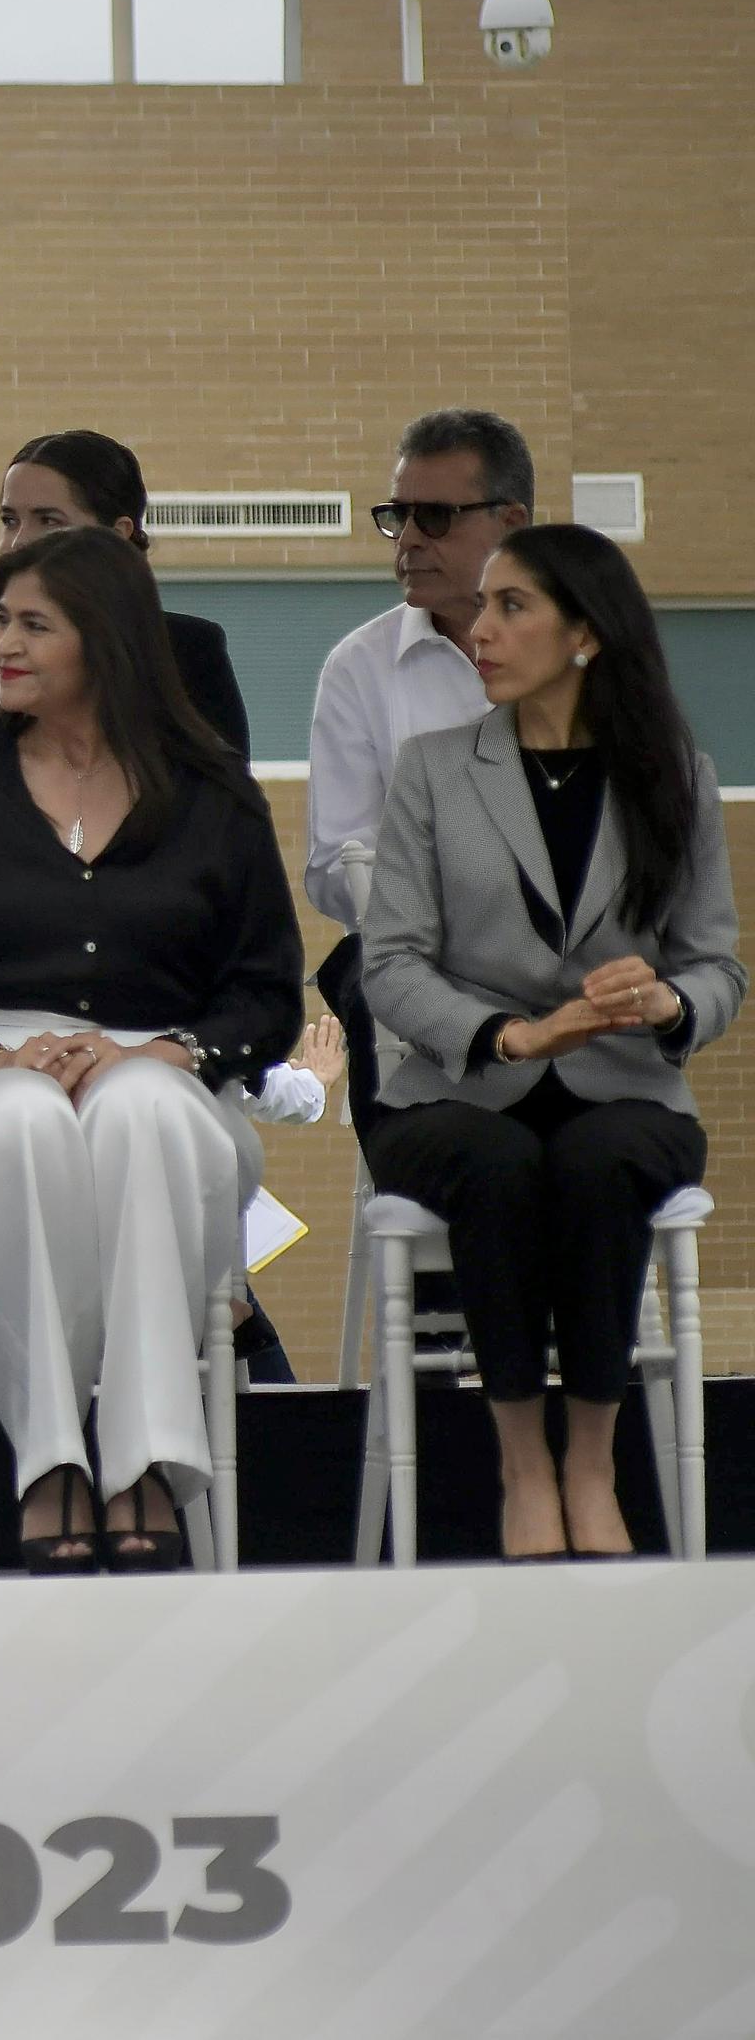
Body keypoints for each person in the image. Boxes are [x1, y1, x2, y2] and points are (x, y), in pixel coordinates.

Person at [0, 527, 303, 1573]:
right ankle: (50, 1459)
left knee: (139, 1110)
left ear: (105, 640)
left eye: (32, 625)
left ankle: (144, 1457)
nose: (1, 645)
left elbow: (267, 992)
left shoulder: (210, 788)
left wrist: (172, 1053)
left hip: (164, 1070)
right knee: (20, 1118)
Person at [357, 524, 736, 1560]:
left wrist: (666, 1003)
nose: (478, 629)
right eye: (481, 605)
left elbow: (716, 967)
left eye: (509, 605)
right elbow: (389, 963)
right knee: (499, 1163)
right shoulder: (433, 769)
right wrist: (514, 1034)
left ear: (585, 634)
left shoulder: (676, 777)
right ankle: (522, 1464)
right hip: (456, 1093)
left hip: (627, 1092)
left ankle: (590, 1464)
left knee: (598, 1161)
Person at [308, 409, 539, 1127]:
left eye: (434, 517)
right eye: (397, 516)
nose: (408, 539)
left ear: (510, 523)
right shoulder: (358, 668)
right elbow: (333, 866)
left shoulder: (588, 662)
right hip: (410, 959)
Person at [0, 432, 250, 767]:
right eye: (9, 520)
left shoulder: (188, 653)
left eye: (49, 520)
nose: (18, 542)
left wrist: (6, 778)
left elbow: (225, 802)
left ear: (117, 534)